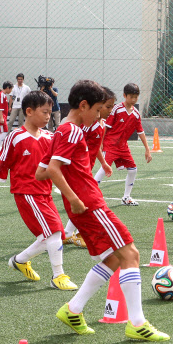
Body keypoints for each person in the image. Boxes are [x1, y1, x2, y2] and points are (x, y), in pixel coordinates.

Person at [40, 80, 169, 341]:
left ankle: (73, 310)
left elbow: (41, 170)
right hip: (89, 203)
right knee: (131, 253)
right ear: (84, 105)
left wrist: (74, 178)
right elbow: (52, 170)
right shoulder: (73, 130)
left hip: (83, 203)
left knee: (113, 259)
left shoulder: (62, 130)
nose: (100, 116)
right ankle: (137, 323)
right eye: (98, 110)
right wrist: (75, 196)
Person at [0, 91, 77, 291]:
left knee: (49, 235)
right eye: (45, 112)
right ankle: (58, 276)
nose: (48, 116)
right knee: (55, 231)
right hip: (27, 193)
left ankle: (20, 260)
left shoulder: (49, 136)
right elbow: (0, 163)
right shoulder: (15, 136)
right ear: (29, 111)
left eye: (50, 112)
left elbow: (58, 165)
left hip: (45, 193)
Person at [62, 86, 115, 247]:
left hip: (87, 168)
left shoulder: (102, 125)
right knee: (89, 201)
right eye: (106, 107)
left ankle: (68, 233)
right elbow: (77, 143)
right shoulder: (86, 125)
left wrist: (104, 163)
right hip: (79, 170)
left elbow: (97, 147)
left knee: (86, 201)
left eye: (112, 107)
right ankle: (79, 233)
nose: (109, 111)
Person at [93, 83, 152, 206]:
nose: (134, 100)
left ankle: (126, 197)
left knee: (133, 170)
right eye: (131, 97)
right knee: (104, 168)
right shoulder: (116, 109)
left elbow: (140, 131)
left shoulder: (136, 114)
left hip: (123, 146)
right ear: (125, 96)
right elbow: (106, 127)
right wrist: (101, 143)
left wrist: (147, 149)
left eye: (136, 97)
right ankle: (90, 195)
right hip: (110, 144)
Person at [0, 81, 13, 153]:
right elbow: (0, 107)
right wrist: (1, 117)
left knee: (0, 131)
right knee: (4, 131)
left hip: (1, 115)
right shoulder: (2, 95)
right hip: (0, 116)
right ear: (7, 88)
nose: (11, 91)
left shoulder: (2, 95)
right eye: (10, 89)